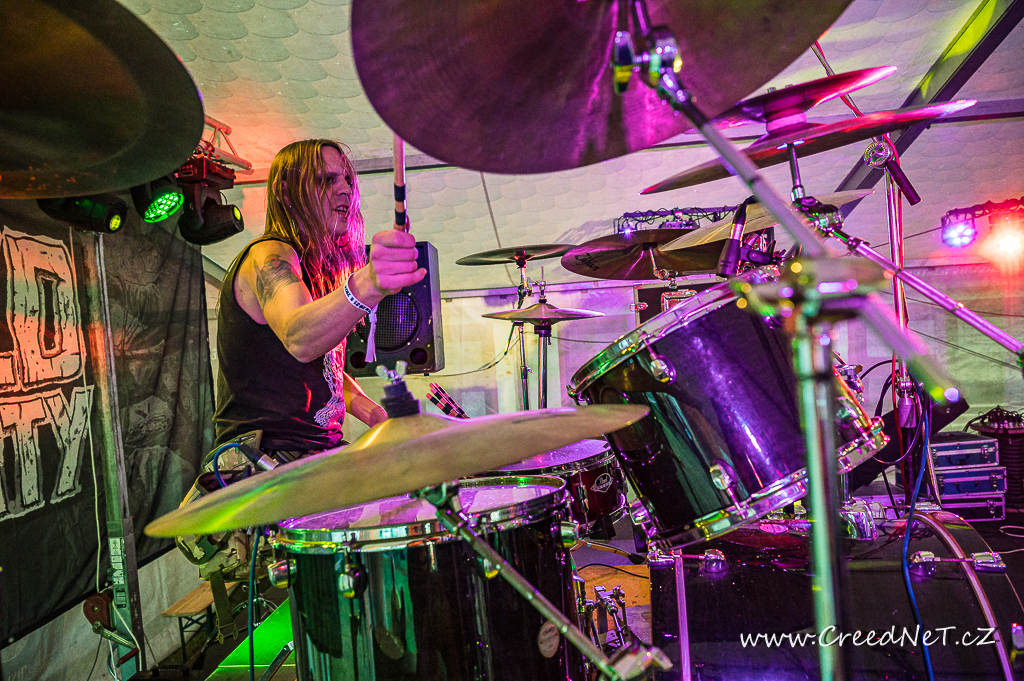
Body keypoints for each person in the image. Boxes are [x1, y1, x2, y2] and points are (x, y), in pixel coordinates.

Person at [178, 138, 426, 579]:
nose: (345, 189)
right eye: (326, 180)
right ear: (290, 192)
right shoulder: (269, 256)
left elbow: (324, 365)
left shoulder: (317, 270)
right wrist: (368, 283)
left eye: (347, 179)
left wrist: (374, 413)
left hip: (314, 457)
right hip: (269, 464)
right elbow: (299, 338)